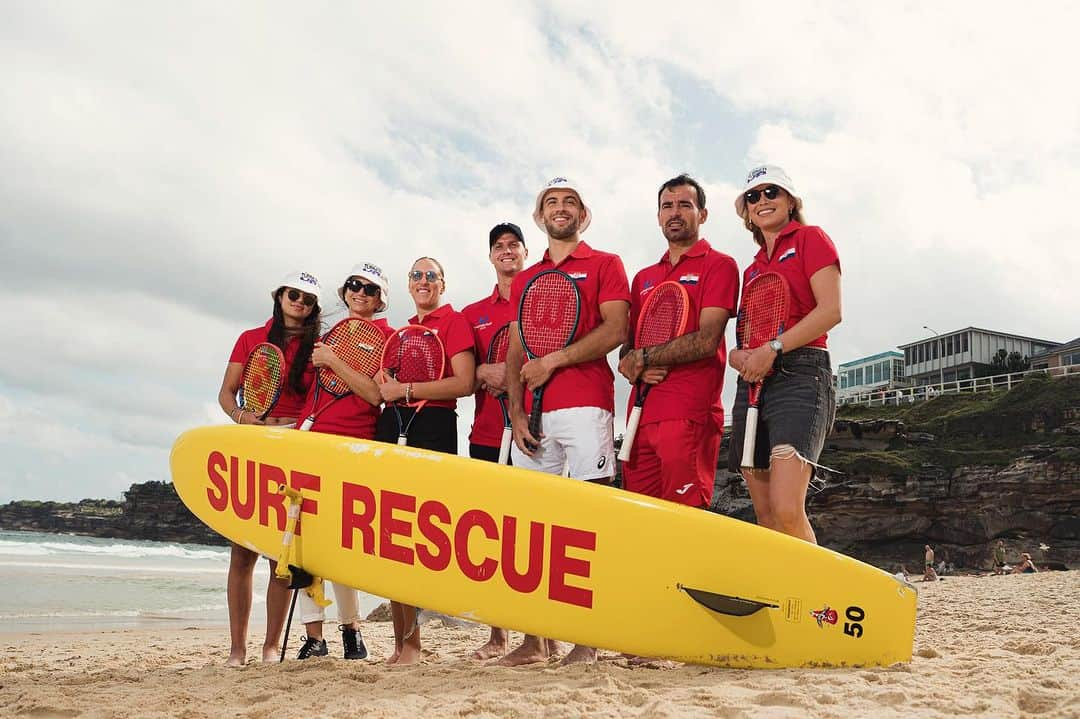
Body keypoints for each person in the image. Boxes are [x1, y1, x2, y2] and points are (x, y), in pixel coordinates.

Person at [503, 176, 630, 666]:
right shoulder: (528, 277)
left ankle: (587, 639)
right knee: (532, 528)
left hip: (585, 406)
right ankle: (537, 640)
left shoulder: (605, 263)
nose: (560, 208)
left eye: (570, 202)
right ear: (539, 217)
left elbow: (616, 328)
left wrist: (554, 360)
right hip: (534, 418)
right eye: (551, 202)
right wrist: (515, 412)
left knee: (588, 522)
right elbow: (516, 348)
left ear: (584, 214)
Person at [726, 165, 842, 545]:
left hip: (802, 375)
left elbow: (830, 311)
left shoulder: (811, 238)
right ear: (746, 210)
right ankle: (783, 599)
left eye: (771, 192)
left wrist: (773, 349)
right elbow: (746, 336)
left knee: (788, 509)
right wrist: (739, 357)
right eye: (753, 196)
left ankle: (821, 600)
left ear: (790, 201)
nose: (762, 201)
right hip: (755, 382)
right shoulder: (752, 269)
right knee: (766, 514)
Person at [216, 270, 322, 666]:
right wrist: (243, 418)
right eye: (294, 294)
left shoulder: (319, 346)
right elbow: (226, 393)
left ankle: (271, 647)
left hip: (296, 449)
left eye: (308, 299)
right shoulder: (250, 339)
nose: (300, 302)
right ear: (280, 296)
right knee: (242, 553)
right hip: (253, 446)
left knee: (284, 553)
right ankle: (237, 649)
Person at [375, 257, 476, 665]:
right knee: (391, 533)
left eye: (431, 275)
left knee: (419, 535)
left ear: (443, 284)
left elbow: (464, 383)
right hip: (394, 424)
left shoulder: (455, 322)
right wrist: (390, 388)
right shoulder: (402, 332)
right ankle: (401, 642)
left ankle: (414, 645)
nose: (423, 281)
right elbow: (385, 386)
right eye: (416, 275)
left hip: (433, 424)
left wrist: (408, 388)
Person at [617, 174, 739, 509]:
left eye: (685, 205)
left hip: (688, 415)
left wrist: (645, 357)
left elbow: (706, 339)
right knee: (640, 523)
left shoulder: (720, 265)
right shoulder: (643, 277)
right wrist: (636, 366)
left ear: (702, 214)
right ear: (658, 216)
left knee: (685, 523)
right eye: (667, 206)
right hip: (639, 418)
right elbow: (627, 352)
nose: (675, 212)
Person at [293, 262, 394, 661]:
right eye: (354, 285)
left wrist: (334, 360)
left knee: (340, 545)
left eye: (370, 289)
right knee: (303, 544)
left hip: (353, 445)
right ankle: (314, 636)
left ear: (380, 298)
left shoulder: (388, 337)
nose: (360, 293)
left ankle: (351, 629)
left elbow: (374, 395)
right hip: (309, 439)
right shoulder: (326, 332)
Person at [460, 222, 528, 660]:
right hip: (486, 433)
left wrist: (516, 376)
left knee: (528, 536)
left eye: (513, 245)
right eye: (498, 247)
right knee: (492, 537)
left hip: (528, 430)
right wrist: (485, 372)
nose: (506, 252)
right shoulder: (473, 312)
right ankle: (498, 636)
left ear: (525, 252)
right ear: (490, 257)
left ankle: (540, 635)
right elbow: (466, 377)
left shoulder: (542, 292)